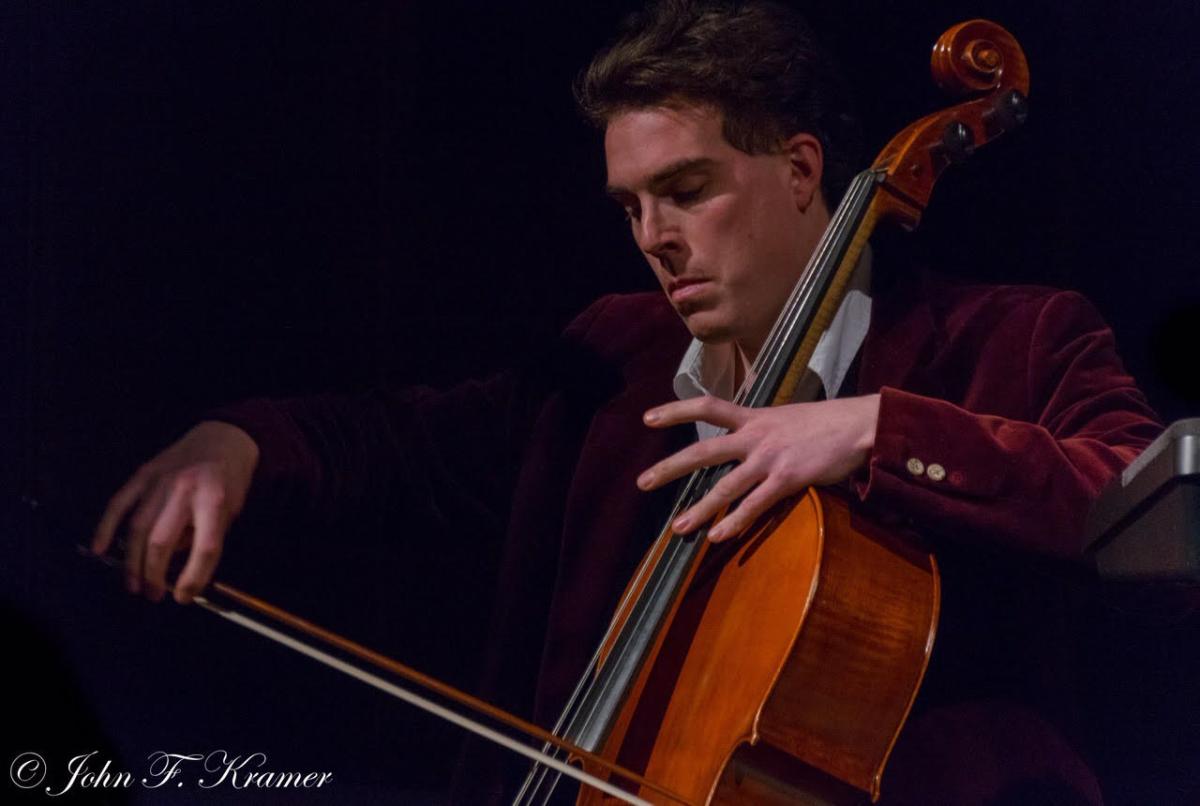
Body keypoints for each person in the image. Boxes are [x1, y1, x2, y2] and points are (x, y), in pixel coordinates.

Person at [91, 1, 1162, 803]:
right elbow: (397, 441)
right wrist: (230, 442)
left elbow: (1149, 502)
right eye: (632, 205)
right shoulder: (613, 360)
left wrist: (880, 426)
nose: (654, 236)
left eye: (688, 190)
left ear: (799, 170)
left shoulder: (1014, 338)